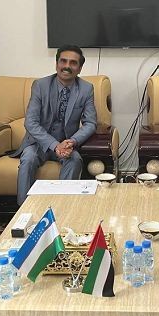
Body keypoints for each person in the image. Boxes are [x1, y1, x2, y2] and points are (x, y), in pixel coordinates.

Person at [14, 45, 97, 204]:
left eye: (73, 63)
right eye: (63, 61)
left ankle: (63, 207)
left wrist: (72, 141)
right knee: (28, 158)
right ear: (56, 64)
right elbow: (30, 122)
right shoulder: (40, 85)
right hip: (38, 143)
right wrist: (54, 145)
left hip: (67, 144)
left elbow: (90, 123)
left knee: (75, 160)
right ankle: (23, 209)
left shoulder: (86, 89)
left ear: (80, 68)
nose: (67, 66)